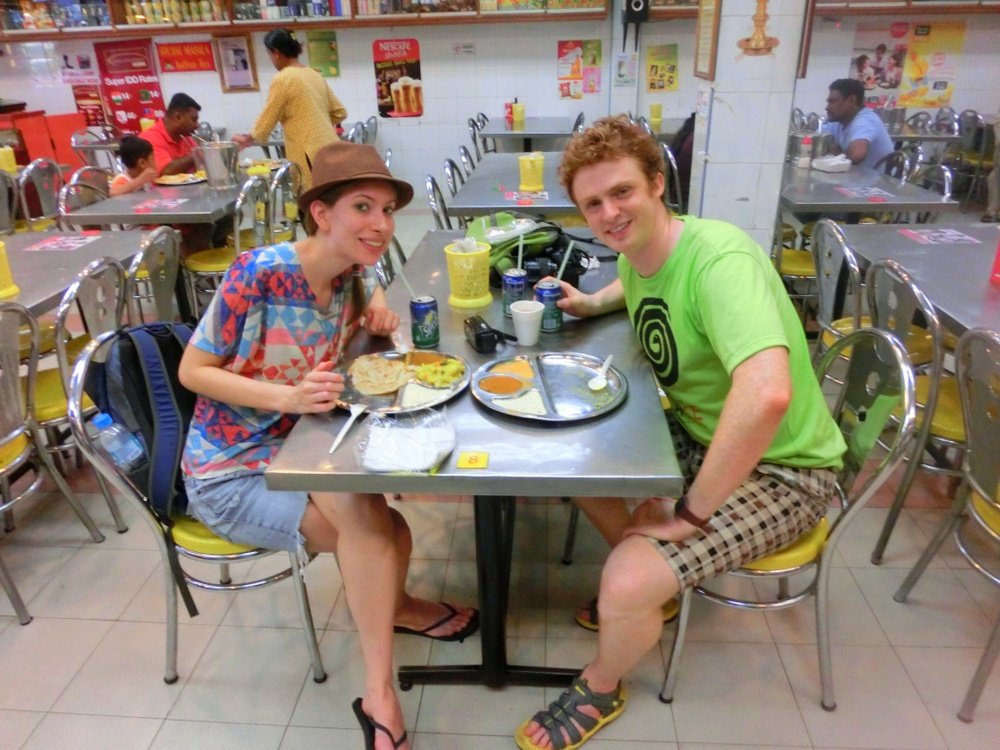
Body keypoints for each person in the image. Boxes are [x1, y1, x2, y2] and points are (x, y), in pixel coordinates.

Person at [514, 116, 846, 750]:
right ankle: (654, 590)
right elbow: (637, 280)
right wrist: (590, 302)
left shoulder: (719, 259)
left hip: (787, 469)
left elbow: (768, 394)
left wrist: (691, 514)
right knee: (571, 453)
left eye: (622, 193)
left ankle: (604, 679)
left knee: (625, 579)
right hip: (703, 431)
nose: (609, 214)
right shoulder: (644, 252)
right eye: (593, 204)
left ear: (657, 184)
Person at [178, 141, 477, 750]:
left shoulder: (350, 274)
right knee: (373, 529)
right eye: (363, 207)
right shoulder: (257, 273)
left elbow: (371, 297)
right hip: (230, 469)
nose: (381, 225)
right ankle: (379, 693)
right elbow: (193, 370)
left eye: (388, 210)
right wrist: (287, 399)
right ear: (321, 213)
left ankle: (399, 607)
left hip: (303, 445)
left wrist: (379, 316)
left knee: (390, 529)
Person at [232, 29, 348, 192]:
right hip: (331, 149)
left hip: (308, 152)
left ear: (276, 52)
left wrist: (247, 138)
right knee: (331, 199)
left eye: (269, 54)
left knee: (311, 201)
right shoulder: (313, 74)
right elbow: (339, 112)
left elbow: (268, 118)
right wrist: (316, 119)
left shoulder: (284, 78)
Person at [821, 78, 894, 170]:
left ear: (851, 100)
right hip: (853, 178)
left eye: (832, 102)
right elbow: (823, 147)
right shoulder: (837, 120)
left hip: (878, 182)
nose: (827, 107)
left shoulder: (866, 121)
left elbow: (856, 156)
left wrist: (837, 154)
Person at [138, 92, 202, 177]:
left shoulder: (185, 136)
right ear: (178, 117)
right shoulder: (150, 137)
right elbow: (167, 170)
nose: (197, 125)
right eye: (194, 120)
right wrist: (197, 155)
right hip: (159, 190)